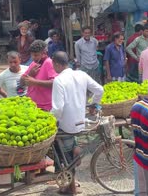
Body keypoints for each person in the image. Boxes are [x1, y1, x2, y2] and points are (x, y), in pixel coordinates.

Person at [51, 51, 104, 195]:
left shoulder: (59, 80)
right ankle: (76, 151)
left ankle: (71, 188)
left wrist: (49, 120)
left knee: (63, 154)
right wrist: (94, 105)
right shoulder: (81, 74)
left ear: (56, 63)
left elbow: (57, 108)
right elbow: (100, 89)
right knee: (70, 148)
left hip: (66, 125)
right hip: (81, 122)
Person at [21, 40, 58, 111]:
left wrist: (35, 82)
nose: (33, 57)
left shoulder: (49, 63)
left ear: (44, 53)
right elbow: (21, 82)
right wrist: (30, 74)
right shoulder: (33, 64)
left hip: (45, 107)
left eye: (36, 55)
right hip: (32, 105)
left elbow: (55, 83)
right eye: (32, 55)